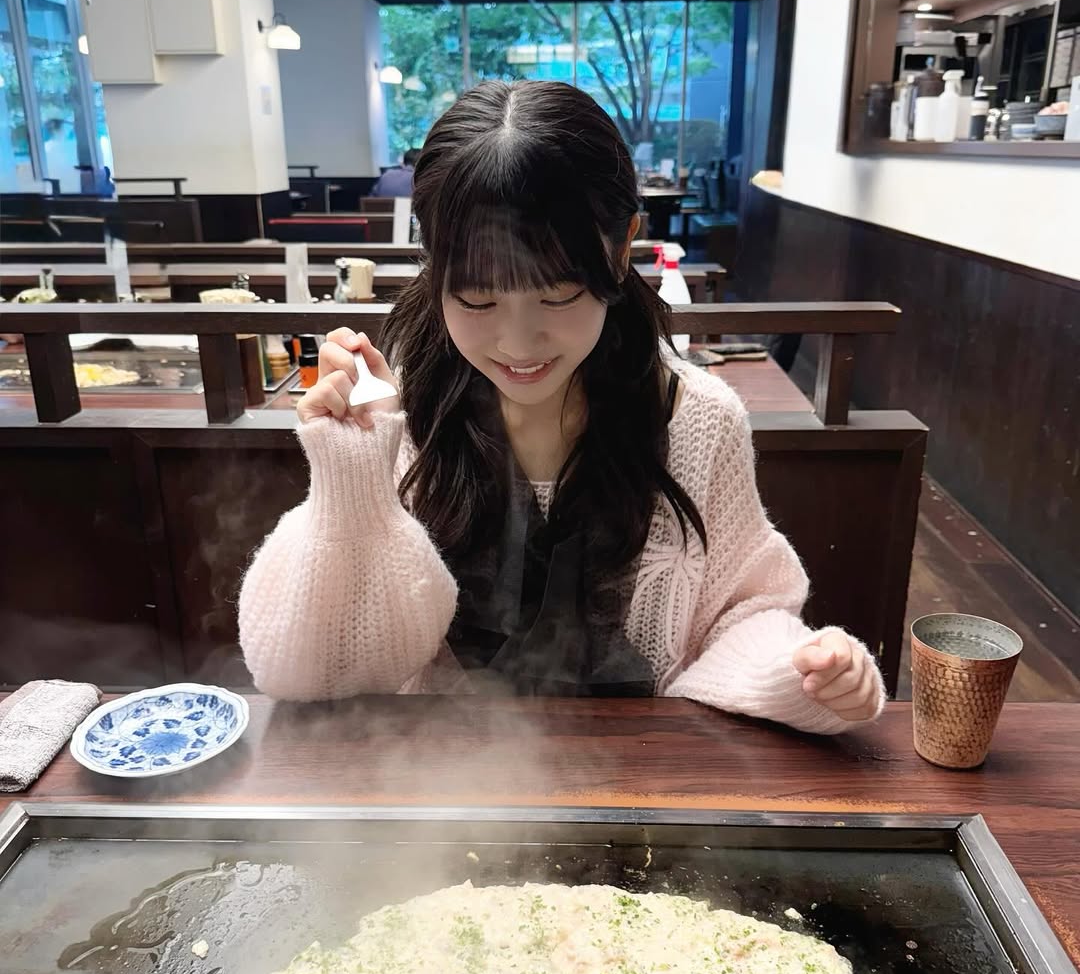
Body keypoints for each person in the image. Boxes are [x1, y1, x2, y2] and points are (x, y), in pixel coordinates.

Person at [239, 81, 884, 732]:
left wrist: (799, 670)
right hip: (439, 774)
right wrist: (351, 481)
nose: (518, 344)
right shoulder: (397, 419)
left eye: (558, 296)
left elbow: (740, 612)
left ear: (622, 247)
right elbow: (306, 677)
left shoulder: (697, 420)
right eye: (479, 300)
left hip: (648, 771)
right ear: (434, 269)